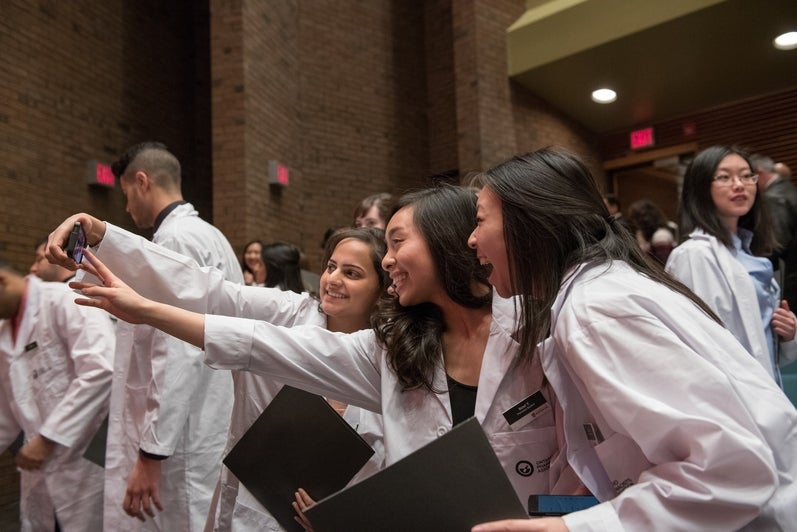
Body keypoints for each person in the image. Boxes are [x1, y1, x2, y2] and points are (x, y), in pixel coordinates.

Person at [47, 185, 579, 517]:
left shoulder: (541, 329)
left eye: (394, 244)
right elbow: (248, 333)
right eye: (331, 267)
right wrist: (116, 257)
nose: (390, 260)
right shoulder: (389, 352)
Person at [466, 147, 797, 531]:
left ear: (529, 224)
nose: (472, 240)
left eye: (479, 221)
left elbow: (727, 470)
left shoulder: (595, 309)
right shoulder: (602, 288)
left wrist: (572, 529)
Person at [45, 217, 388, 530]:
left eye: (352, 273)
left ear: (381, 289)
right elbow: (208, 289)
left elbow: (391, 470)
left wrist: (342, 515)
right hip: (252, 509)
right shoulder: (288, 312)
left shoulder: (387, 361)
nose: (333, 280)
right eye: (331, 267)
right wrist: (102, 235)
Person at [106, 141, 240, 531]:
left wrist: (152, 452)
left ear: (142, 182)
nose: (127, 207)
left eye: (126, 193)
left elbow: (177, 352)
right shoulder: (208, 234)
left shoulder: (175, 240)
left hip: (182, 431)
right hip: (204, 415)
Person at [0, 256, 115, 531]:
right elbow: (6, 408)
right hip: (41, 468)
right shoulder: (4, 331)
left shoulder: (64, 300)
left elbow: (100, 369)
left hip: (87, 459)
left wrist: (48, 439)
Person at [667, 146, 797, 384]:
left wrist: (788, 333)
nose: (739, 184)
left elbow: (761, 342)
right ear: (701, 188)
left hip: (766, 389)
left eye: (747, 176)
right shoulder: (694, 255)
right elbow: (703, 347)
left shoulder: (750, 251)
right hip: (733, 399)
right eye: (724, 177)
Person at [752, 154, 797, 311]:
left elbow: (775, 244)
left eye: (749, 177)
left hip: (790, 280)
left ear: (759, 173)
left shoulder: (773, 197)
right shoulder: (789, 189)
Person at [626, 199, 677, 264]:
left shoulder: (661, 235)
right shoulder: (644, 234)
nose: (634, 223)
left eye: (635, 219)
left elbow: (662, 263)